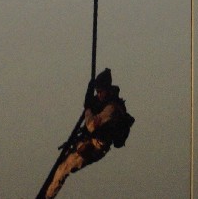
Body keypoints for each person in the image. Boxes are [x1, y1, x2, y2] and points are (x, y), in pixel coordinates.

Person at [40, 69, 133, 199]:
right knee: (62, 162)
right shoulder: (104, 103)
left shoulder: (111, 108)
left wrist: (88, 109)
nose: (98, 94)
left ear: (107, 90)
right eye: (97, 91)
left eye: (100, 91)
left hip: (96, 146)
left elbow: (91, 126)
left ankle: (47, 197)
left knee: (63, 169)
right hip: (90, 141)